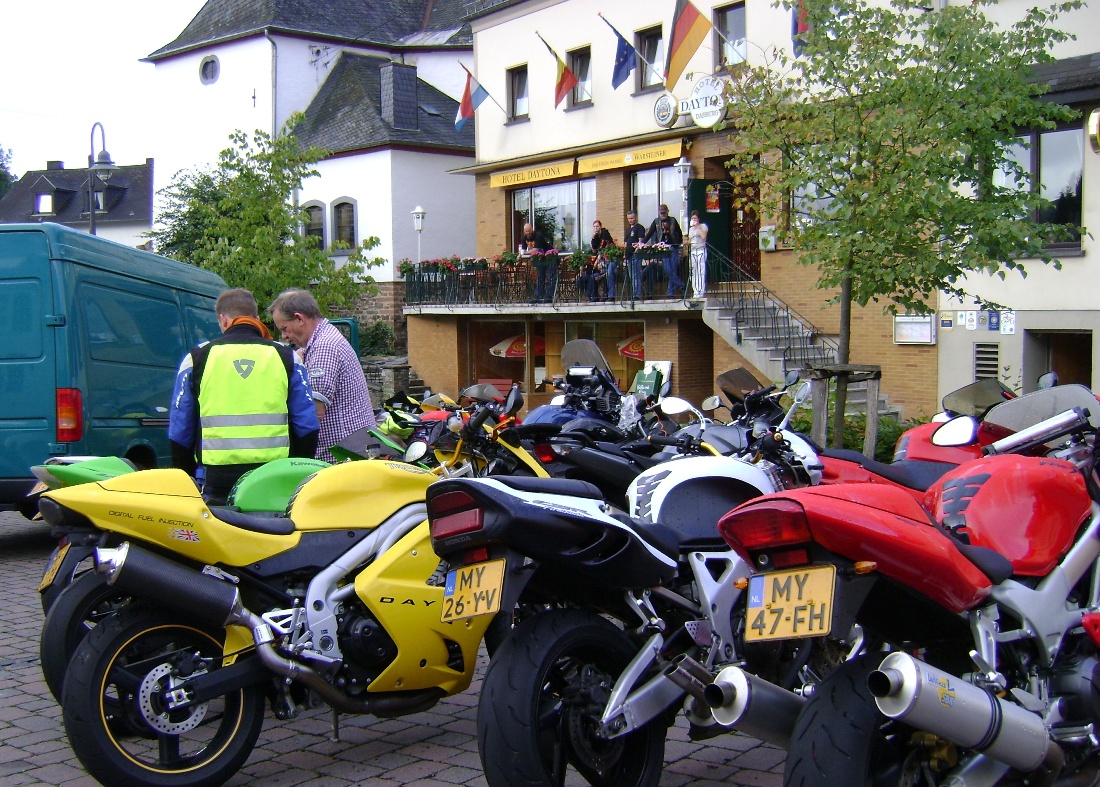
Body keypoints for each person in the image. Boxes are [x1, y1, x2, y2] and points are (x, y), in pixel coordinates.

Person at [168, 288, 319, 504]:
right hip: (273, 479)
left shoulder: (197, 358)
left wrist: (186, 475)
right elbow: (307, 426)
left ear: (223, 319)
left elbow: (180, 430)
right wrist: (295, 471)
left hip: (216, 480)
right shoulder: (287, 357)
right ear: (256, 318)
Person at [269, 289, 377, 463]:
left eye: (285, 329)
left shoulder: (324, 348)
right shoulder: (322, 339)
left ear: (299, 319)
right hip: (352, 450)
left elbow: (313, 411)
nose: (284, 336)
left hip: (340, 457)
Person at [643, 204, 684, 297]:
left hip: (673, 247)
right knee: (668, 269)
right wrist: (641, 243)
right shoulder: (656, 221)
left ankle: (670, 292)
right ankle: (682, 285)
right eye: (661, 213)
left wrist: (678, 244)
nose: (663, 214)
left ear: (667, 212)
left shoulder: (673, 220)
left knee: (673, 270)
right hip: (663, 248)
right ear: (659, 213)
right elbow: (649, 234)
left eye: (664, 212)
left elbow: (679, 232)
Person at [520, 222, 553, 302]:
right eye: (526, 231)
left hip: (549, 256)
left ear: (532, 230)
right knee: (540, 277)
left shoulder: (538, 236)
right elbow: (522, 250)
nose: (528, 233)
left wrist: (524, 253)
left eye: (529, 231)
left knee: (550, 277)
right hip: (540, 259)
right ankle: (538, 297)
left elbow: (536, 250)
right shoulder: (524, 238)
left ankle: (548, 297)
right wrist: (520, 255)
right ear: (524, 232)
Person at [590, 219, 616, 301]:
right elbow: (594, 250)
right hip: (603, 260)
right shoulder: (596, 237)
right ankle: (596, 296)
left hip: (611, 258)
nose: (596, 228)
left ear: (600, 227)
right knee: (593, 277)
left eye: (597, 226)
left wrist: (598, 261)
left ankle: (610, 295)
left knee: (608, 274)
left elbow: (603, 247)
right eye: (594, 227)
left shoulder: (605, 233)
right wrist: (593, 238)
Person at [624, 210, 647, 300]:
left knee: (636, 274)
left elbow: (640, 241)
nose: (630, 220)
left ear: (636, 218)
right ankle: (634, 293)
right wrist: (624, 253)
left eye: (632, 218)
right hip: (629, 255)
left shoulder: (639, 228)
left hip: (636, 255)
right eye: (629, 219)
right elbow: (626, 243)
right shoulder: (628, 230)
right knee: (631, 275)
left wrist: (637, 250)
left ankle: (637, 294)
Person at [688, 210, 709, 297]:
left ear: (698, 219)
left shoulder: (703, 226)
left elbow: (703, 236)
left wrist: (697, 227)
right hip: (693, 250)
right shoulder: (690, 229)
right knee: (693, 271)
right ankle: (695, 291)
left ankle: (700, 291)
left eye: (695, 218)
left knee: (701, 270)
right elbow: (690, 240)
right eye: (692, 218)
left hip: (701, 250)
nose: (694, 220)